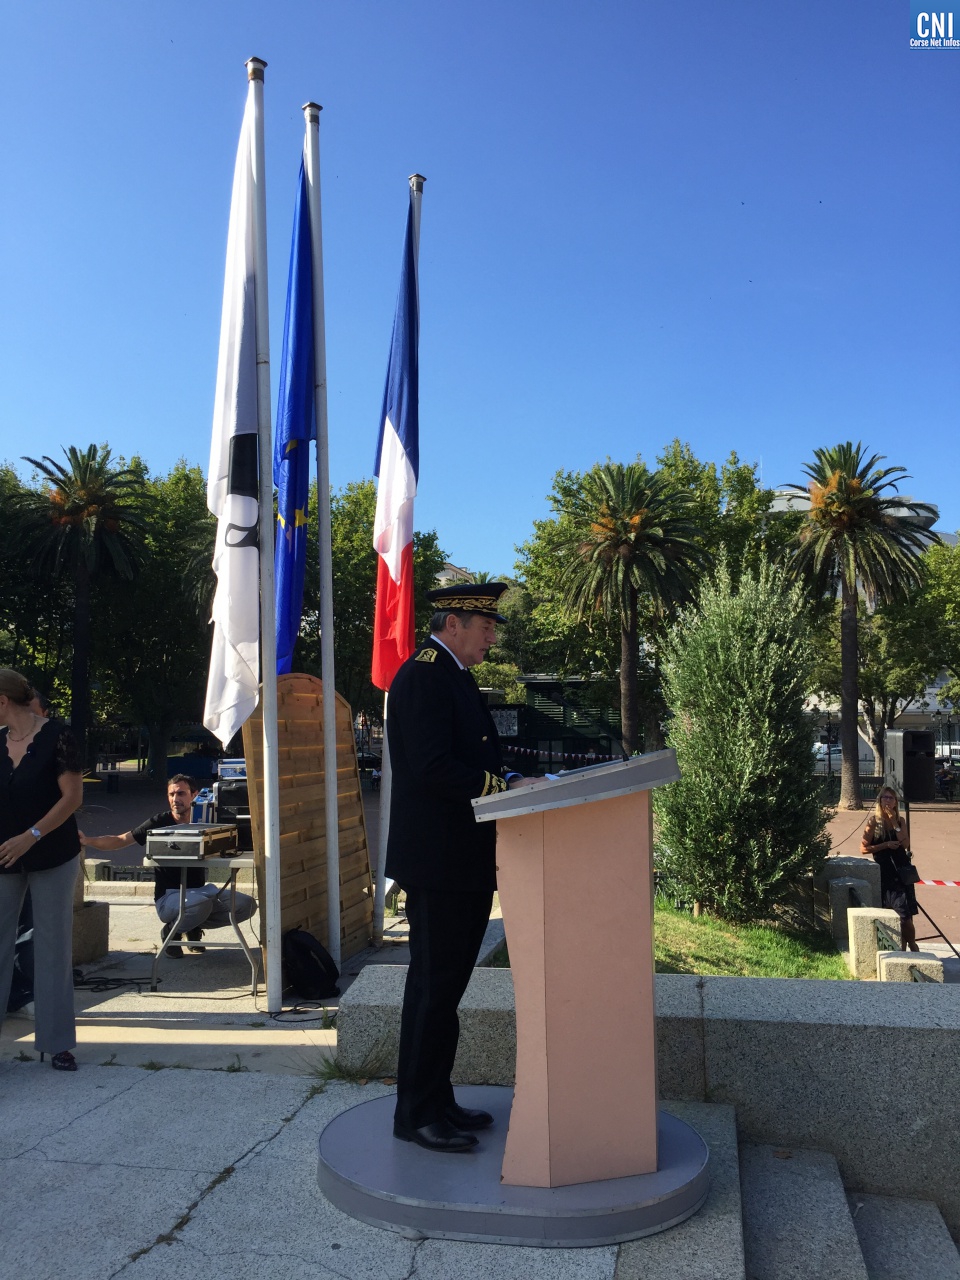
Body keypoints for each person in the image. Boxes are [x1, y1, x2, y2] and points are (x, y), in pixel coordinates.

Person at [386, 582, 535, 1153]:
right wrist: (501, 787)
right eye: (486, 627)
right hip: (439, 863)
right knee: (431, 989)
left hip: (460, 861)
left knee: (446, 990)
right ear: (454, 624)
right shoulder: (424, 675)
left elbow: (471, 754)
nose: (492, 637)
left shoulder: (453, 674)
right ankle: (415, 1114)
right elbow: (431, 767)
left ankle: (438, 1099)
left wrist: (511, 779)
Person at [0, 669, 84, 1070]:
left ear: (2, 701)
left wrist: (31, 836)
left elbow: (72, 798)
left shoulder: (59, 736)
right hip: (4, 856)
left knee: (51, 948)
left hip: (53, 854)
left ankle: (57, 1043)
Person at [79, 774, 255, 957]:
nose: (175, 799)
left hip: (200, 892)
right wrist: (88, 840)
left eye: (181, 793)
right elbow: (121, 840)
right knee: (200, 905)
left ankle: (192, 926)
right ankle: (172, 932)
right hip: (169, 897)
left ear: (195, 795)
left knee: (247, 905)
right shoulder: (159, 823)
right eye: (171, 794)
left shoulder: (208, 819)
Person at [861, 786, 920, 952]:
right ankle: (903, 948)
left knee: (906, 915)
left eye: (891, 798)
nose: (887, 801)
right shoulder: (873, 822)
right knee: (894, 913)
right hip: (885, 872)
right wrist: (885, 845)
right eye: (884, 797)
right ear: (880, 801)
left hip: (902, 872)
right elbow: (863, 848)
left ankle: (911, 945)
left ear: (895, 802)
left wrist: (894, 822)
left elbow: (905, 844)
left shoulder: (900, 821)